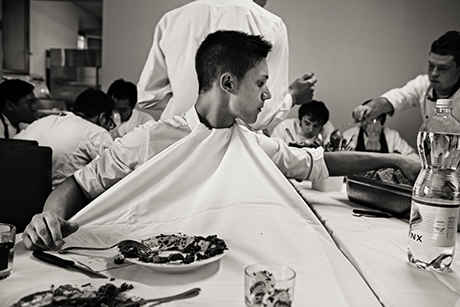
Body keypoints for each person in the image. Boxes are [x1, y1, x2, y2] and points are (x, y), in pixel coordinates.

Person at [22, 30, 420, 251]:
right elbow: (77, 184)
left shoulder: (251, 142)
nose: (268, 95)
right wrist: (49, 217)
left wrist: (398, 163)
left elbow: (321, 162)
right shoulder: (149, 139)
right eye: (261, 84)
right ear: (228, 83)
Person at [137, 0, 316, 132]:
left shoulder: (171, 20)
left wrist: (186, 102)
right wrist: (292, 96)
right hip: (230, 149)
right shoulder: (271, 25)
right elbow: (263, 115)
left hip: (173, 142)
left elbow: (148, 97)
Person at [14, 88, 115, 188]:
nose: (109, 129)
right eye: (110, 124)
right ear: (103, 117)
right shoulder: (96, 133)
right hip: (51, 199)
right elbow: (114, 174)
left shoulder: (42, 122)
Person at [352, 30, 460, 123]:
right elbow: (397, 97)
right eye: (431, 66)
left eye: (443, 68)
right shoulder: (423, 85)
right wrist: (369, 108)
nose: (433, 73)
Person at [344, 100, 418, 158]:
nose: (372, 123)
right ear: (362, 119)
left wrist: (397, 158)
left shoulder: (392, 136)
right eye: (369, 118)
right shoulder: (350, 134)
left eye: (377, 118)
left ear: (382, 120)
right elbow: (342, 156)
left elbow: (413, 157)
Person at [271, 100, 335, 148]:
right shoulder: (284, 127)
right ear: (300, 119)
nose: (310, 129)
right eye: (307, 123)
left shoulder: (327, 129)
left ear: (322, 125)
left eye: (316, 126)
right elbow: (273, 151)